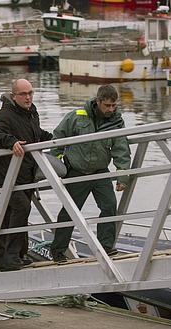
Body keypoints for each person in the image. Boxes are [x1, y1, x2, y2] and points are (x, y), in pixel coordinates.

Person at [49, 85, 131, 263]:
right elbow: (57, 140)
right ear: (98, 101)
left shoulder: (116, 121)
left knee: (109, 206)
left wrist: (122, 176)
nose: (111, 109)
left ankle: (106, 247)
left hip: (100, 171)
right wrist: (56, 166)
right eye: (107, 105)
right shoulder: (77, 116)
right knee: (70, 212)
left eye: (113, 106)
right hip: (77, 172)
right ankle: (57, 250)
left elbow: (121, 148)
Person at [0, 79, 52, 272]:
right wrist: (10, 141)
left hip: (25, 174)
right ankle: (10, 257)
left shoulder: (32, 113)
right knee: (21, 208)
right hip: (3, 175)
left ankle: (5, 259)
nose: (28, 97)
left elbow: (34, 133)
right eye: (24, 94)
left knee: (7, 217)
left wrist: (51, 138)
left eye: (31, 92)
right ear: (14, 96)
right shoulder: (5, 114)